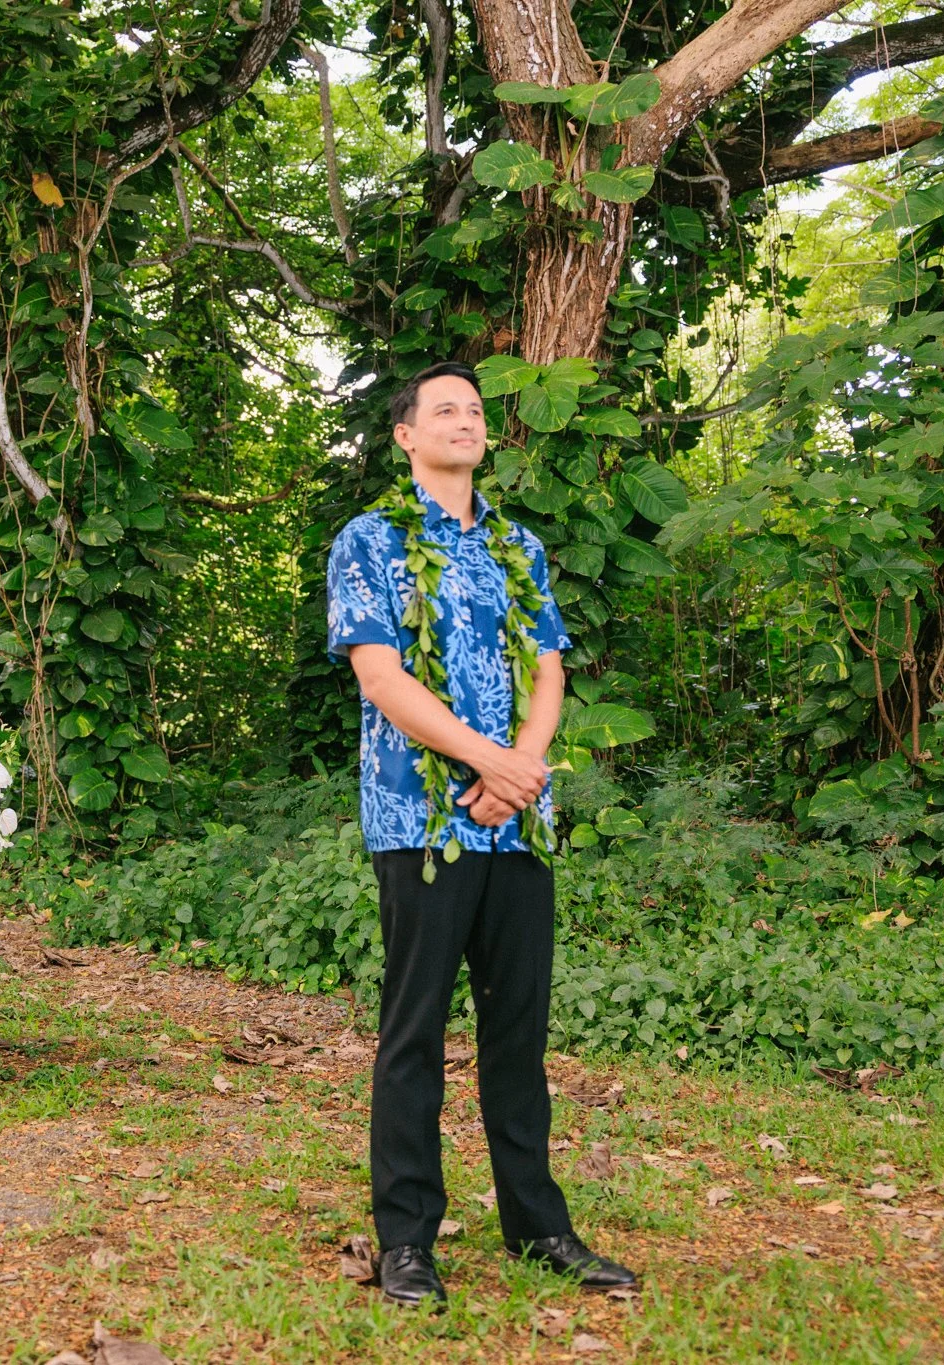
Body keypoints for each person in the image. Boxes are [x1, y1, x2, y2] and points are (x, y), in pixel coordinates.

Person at [325, 361, 638, 1307]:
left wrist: (522, 768)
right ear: (406, 435)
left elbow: (548, 668)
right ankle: (407, 1238)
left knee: (518, 1033)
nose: (465, 420)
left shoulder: (518, 545)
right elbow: (381, 677)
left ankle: (538, 1224)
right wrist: (487, 763)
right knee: (414, 1030)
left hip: (517, 824)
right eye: (444, 409)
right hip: (419, 817)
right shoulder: (370, 539)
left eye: (475, 409)